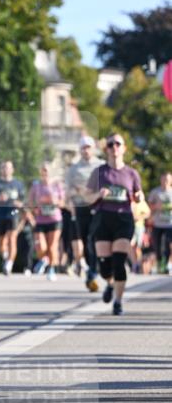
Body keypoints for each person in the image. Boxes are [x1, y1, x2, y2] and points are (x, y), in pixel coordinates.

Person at [85, 133, 144, 315]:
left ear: (124, 148)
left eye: (118, 144)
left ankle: (118, 302)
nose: (114, 147)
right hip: (103, 219)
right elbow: (87, 197)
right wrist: (98, 195)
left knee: (119, 263)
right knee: (104, 267)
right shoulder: (99, 172)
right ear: (106, 149)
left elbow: (139, 195)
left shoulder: (132, 173)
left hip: (124, 219)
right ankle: (110, 284)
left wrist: (139, 197)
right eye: (111, 144)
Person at [65, 136, 102, 291]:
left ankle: (98, 269)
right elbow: (68, 190)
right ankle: (91, 272)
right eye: (84, 148)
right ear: (80, 150)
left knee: (97, 239)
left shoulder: (101, 165)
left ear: (93, 149)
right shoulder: (74, 169)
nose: (86, 150)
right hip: (81, 207)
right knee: (87, 240)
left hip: (99, 206)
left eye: (89, 147)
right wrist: (78, 191)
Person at [27, 163, 65, 281]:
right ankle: (44, 259)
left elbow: (63, 203)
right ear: (40, 172)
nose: (45, 173)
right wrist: (37, 206)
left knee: (52, 246)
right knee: (41, 247)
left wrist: (55, 201)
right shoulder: (36, 185)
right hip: (41, 220)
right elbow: (30, 202)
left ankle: (51, 269)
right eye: (43, 170)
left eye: (47, 170)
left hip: (55, 219)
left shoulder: (57, 185)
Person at [0, 160, 25, 275]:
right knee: (2, 242)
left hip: (13, 214)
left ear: (12, 170)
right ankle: (6, 256)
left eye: (8, 167)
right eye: (4, 167)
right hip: (0, 214)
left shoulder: (18, 184)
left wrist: (18, 203)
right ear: (1, 170)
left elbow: (23, 201)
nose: (6, 170)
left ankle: (9, 264)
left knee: (12, 238)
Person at [148, 171, 172, 275]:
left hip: (170, 223)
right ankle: (159, 262)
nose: (165, 181)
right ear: (160, 180)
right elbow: (149, 206)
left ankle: (165, 264)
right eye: (163, 179)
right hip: (157, 223)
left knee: (167, 244)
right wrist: (156, 207)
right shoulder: (155, 192)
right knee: (157, 245)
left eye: (167, 179)